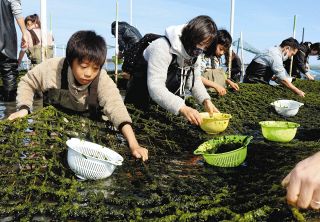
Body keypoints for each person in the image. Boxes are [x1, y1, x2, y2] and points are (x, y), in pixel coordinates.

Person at [8, 30, 148, 161]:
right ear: (70, 61)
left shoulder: (102, 80)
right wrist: (24, 108)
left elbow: (117, 108)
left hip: (91, 132)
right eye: (84, 66)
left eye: (95, 68)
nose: (89, 73)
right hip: (57, 129)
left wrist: (134, 144)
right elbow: (27, 82)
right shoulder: (52, 68)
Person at [125, 15, 220, 125]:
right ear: (191, 37)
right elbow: (156, 87)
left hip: (164, 106)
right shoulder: (162, 47)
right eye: (201, 44)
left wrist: (205, 100)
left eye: (206, 47)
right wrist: (182, 107)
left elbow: (194, 81)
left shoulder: (195, 54)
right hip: (140, 103)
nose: (201, 50)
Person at [0, 0, 27, 101]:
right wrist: (24, 32)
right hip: (6, 37)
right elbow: (17, 12)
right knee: (9, 70)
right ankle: (10, 110)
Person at [201, 29, 240, 96]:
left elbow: (220, 75)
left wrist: (229, 82)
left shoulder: (216, 59)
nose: (222, 53)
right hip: (203, 95)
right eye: (221, 49)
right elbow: (197, 77)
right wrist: (216, 86)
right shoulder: (202, 57)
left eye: (224, 51)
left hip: (214, 94)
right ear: (214, 43)